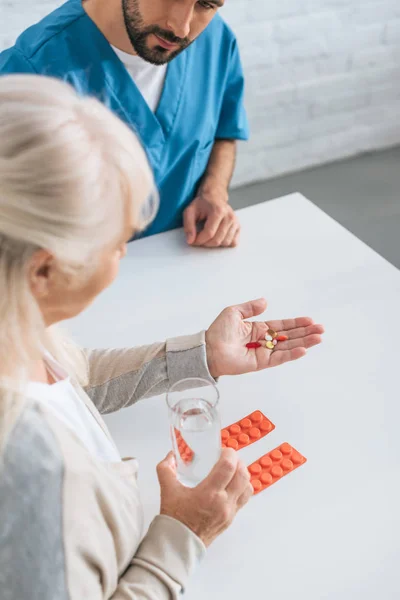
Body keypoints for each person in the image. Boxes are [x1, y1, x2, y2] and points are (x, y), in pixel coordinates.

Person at [0, 75, 324, 599]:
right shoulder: (33, 475)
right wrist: (182, 536)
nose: (125, 257)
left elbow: (70, 381)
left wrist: (201, 356)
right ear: (43, 270)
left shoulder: (16, 330)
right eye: (116, 243)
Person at [0, 0, 249, 247]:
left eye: (206, 4)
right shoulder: (27, 73)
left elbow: (224, 131)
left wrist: (213, 192)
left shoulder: (215, 39)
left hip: (182, 256)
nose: (181, 28)